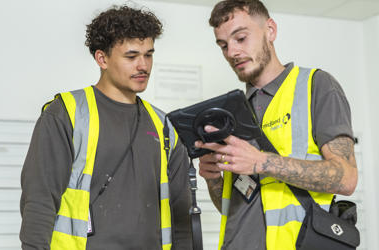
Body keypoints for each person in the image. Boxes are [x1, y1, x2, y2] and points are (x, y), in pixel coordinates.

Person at [20, 5, 193, 250]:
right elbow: (39, 201)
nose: (143, 65)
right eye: (131, 57)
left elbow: (181, 215)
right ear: (102, 58)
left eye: (149, 54)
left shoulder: (164, 126)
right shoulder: (67, 114)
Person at [195, 1, 358, 250]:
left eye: (241, 38)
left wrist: (261, 162)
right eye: (223, 45)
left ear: (270, 30)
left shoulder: (316, 86)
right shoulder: (232, 113)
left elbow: (346, 178)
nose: (232, 52)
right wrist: (214, 178)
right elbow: (237, 206)